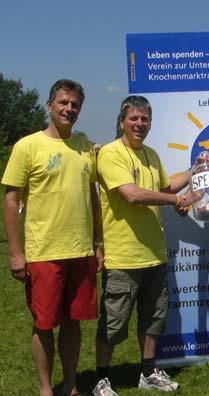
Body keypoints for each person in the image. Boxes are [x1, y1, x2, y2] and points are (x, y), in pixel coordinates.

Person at [2, 79, 100, 396]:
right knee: (44, 325)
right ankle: (46, 389)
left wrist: (98, 243)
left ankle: (70, 386)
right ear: (49, 105)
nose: (68, 109)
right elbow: (11, 200)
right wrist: (16, 253)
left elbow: (92, 197)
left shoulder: (85, 145)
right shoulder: (27, 146)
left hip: (81, 250)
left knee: (73, 323)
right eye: (62, 103)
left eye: (74, 105)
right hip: (43, 253)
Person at [93, 95, 191, 395]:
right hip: (123, 256)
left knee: (153, 319)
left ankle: (148, 372)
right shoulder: (111, 153)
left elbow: (164, 187)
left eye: (144, 119)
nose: (139, 124)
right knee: (113, 323)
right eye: (133, 119)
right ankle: (101, 379)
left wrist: (196, 169)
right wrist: (175, 200)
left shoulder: (151, 154)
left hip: (154, 254)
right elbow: (132, 195)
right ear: (122, 121)